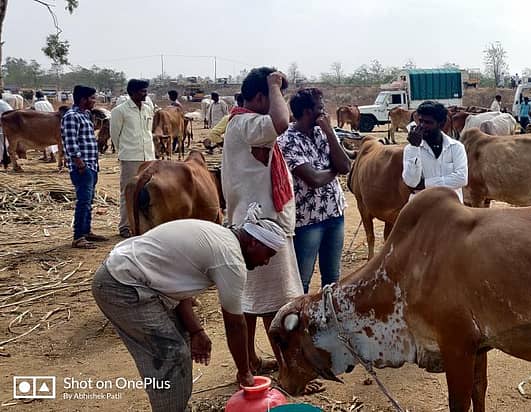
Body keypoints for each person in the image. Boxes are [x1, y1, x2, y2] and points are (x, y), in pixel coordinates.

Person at [92, 203, 285, 411]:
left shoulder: (220, 236)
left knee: (181, 340)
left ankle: (176, 405)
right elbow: (235, 324)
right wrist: (245, 372)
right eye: (268, 254)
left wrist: (196, 331)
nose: (266, 262)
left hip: (130, 275)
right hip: (120, 284)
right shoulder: (231, 261)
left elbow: (178, 282)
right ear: (254, 243)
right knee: (171, 354)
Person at [221, 67, 301, 373]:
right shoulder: (246, 123)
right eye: (273, 97)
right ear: (259, 97)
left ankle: (251, 363)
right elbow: (282, 122)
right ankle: (286, 369)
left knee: (251, 300)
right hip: (260, 232)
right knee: (273, 303)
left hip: (254, 227)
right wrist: (274, 85)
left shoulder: (243, 124)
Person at [277, 88, 351, 294]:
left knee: (332, 279)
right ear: (308, 112)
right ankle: (300, 323)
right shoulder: (287, 140)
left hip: (335, 213)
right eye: (320, 107)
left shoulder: (324, 131)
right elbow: (314, 179)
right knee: (303, 281)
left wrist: (329, 132)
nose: (324, 112)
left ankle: (328, 322)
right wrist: (335, 169)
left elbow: (346, 167)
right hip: (308, 221)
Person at [62, 86, 108, 249]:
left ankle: (86, 231)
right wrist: (79, 163)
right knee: (83, 201)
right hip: (83, 166)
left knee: (88, 200)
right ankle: (78, 237)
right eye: (93, 98)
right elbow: (70, 142)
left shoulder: (86, 115)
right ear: (83, 99)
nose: (94, 101)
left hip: (91, 164)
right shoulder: (71, 117)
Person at [110, 79, 156, 238]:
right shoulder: (120, 111)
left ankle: (144, 224)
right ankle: (125, 226)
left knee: (148, 192)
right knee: (128, 192)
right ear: (133, 93)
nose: (145, 94)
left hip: (148, 157)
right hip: (131, 158)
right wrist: (124, 151)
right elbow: (115, 136)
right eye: (143, 91)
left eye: (146, 91)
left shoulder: (148, 109)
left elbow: (148, 132)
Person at [402, 101, 468, 202]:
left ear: (441, 124)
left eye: (428, 122)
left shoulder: (456, 147)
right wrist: (414, 147)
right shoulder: (411, 150)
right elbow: (411, 182)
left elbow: (462, 179)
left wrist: (425, 184)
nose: (422, 126)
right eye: (420, 121)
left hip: (452, 210)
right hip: (421, 209)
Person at [33, 91, 58, 162]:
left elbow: (34, 114)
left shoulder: (36, 104)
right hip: (51, 122)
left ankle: (52, 157)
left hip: (41, 124)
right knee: (45, 140)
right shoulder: (48, 103)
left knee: (45, 140)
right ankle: (45, 156)